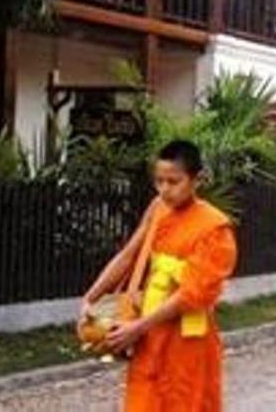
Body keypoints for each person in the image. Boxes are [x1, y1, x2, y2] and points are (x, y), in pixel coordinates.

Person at [79, 140, 238, 412]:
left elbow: (190, 295)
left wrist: (137, 328)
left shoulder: (214, 228)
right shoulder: (158, 209)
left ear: (196, 179)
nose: (165, 190)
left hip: (186, 342)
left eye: (173, 181)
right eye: (159, 181)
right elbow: (129, 256)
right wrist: (89, 299)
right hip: (149, 338)